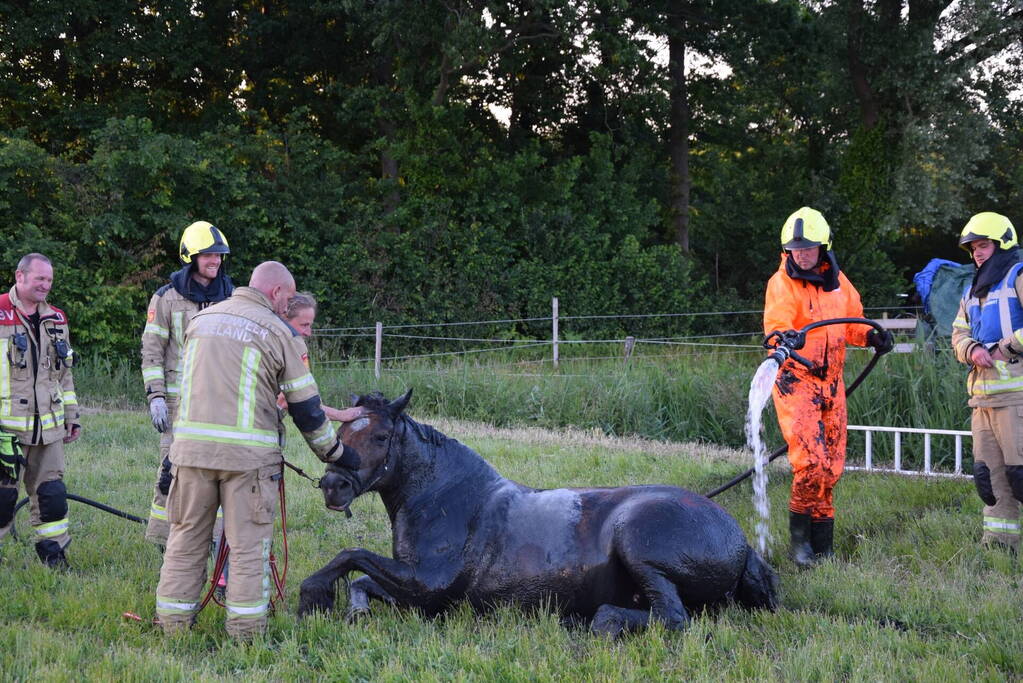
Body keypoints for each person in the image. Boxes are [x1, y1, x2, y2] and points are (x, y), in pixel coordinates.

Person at [155, 261, 361, 639]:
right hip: (247, 464)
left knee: (184, 540)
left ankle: (172, 627)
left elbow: (186, 388)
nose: (288, 305)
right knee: (248, 548)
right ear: (277, 292)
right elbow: (306, 408)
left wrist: (175, 451)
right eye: (288, 296)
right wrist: (336, 453)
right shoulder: (278, 331)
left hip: (190, 455)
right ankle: (246, 635)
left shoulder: (201, 321)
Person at [763, 207, 892, 567]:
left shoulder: (839, 283)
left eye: (808, 247)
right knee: (811, 463)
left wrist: (872, 336)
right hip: (796, 380)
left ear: (824, 247)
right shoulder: (781, 284)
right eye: (795, 248)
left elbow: (853, 324)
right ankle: (799, 545)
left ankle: (824, 546)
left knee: (832, 466)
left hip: (831, 385)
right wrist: (784, 339)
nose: (801, 253)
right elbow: (776, 324)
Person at [140, 221, 233, 548]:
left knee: (219, 473)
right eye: (208, 255)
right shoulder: (166, 299)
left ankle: (217, 543)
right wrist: (156, 398)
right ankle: (164, 540)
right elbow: (152, 351)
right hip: (180, 406)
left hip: (221, 404)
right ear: (190, 257)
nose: (215, 261)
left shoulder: (231, 296)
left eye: (219, 256)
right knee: (171, 472)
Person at [0, 253, 82, 568]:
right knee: (3, 499)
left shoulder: (57, 319)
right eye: (39, 279)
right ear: (20, 276)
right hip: (6, 432)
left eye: (49, 280)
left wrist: (71, 417)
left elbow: (65, 375)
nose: (45, 285)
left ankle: (54, 555)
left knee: (52, 496)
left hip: (49, 430)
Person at [951, 212, 1023, 552]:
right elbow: (958, 334)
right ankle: (999, 548)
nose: (977, 253)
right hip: (982, 401)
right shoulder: (971, 290)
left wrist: (1002, 348)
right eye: (973, 248)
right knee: (990, 480)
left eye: (983, 245)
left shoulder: (1018, 276)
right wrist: (973, 350)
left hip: (1017, 401)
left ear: (1002, 244)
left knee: (1021, 477)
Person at [282, 292, 349, 422]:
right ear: (284, 320)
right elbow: (287, 400)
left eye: (310, 325)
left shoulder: (293, 349)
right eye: (304, 325)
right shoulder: (280, 349)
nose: (309, 333)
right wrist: (340, 415)